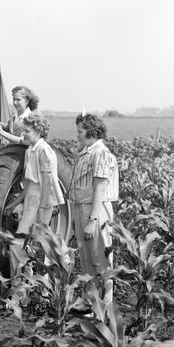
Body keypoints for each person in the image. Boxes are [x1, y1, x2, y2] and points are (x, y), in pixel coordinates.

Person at [67, 113, 119, 304]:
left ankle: (104, 307)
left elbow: (99, 189)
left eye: (80, 131)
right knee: (87, 259)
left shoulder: (101, 154)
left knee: (100, 260)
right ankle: (90, 302)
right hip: (83, 208)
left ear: (91, 131)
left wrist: (92, 220)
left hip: (96, 211)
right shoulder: (87, 152)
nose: (78, 135)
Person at [12, 114, 64, 234]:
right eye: (23, 130)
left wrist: (42, 207)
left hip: (41, 198)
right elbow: (29, 185)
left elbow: (47, 181)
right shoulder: (30, 150)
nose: (23, 134)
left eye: (27, 131)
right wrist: (15, 202)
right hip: (32, 197)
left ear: (39, 131)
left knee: (34, 236)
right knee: (29, 236)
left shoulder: (43, 150)